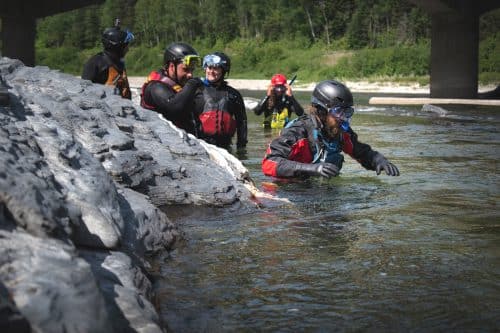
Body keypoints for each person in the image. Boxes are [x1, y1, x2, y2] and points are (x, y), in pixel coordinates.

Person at [262, 79, 400, 178]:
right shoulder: (298, 131)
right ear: (321, 112)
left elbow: (361, 152)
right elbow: (269, 162)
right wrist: (311, 169)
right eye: (339, 112)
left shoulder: (340, 132)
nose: (343, 118)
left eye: (347, 112)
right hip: (292, 192)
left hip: (320, 191)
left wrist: (379, 160)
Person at [140, 42, 202, 135]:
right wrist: (192, 84)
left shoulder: (179, 84)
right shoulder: (155, 86)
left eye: (192, 70)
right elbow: (175, 106)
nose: (190, 75)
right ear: (172, 66)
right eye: (185, 69)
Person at [193, 52, 247, 149]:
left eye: (216, 68)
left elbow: (241, 122)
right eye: (209, 68)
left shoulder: (233, 94)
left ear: (224, 71)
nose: (211, 71)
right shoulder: (196, 91)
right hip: (201, 146)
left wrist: (241, 148)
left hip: (225, 147)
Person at [82, 19, 134, 99]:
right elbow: (84, 94)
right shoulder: (95, 63)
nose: (128, 49)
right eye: (126, 46)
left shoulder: (119, 63)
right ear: (118, 47)